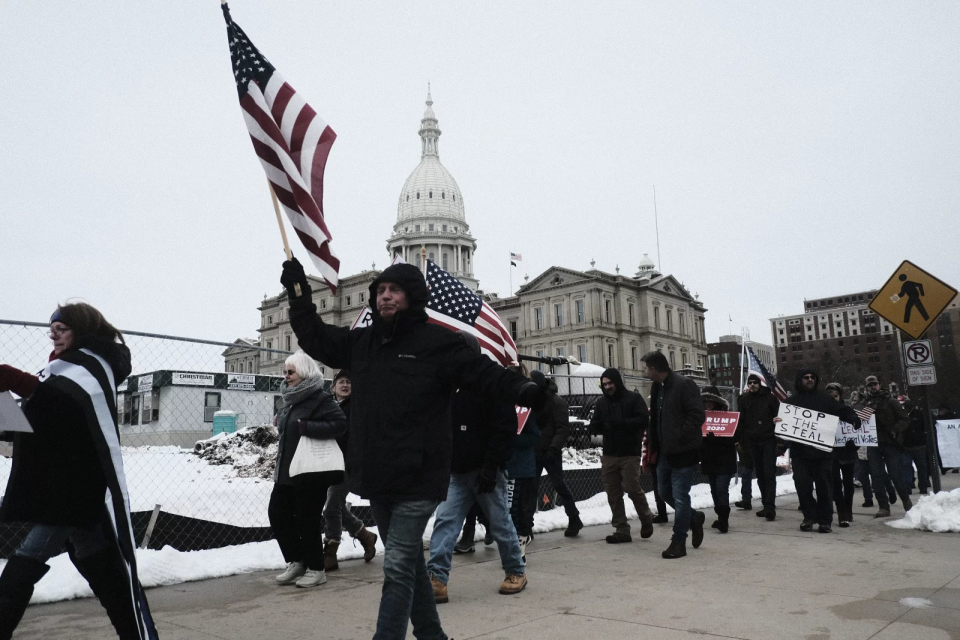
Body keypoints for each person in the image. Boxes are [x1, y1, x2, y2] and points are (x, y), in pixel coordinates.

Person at [281, 258, 542, 640]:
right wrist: (299, 292)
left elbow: (483, 373)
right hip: (377, 474)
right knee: (409, 566)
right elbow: (315, 336)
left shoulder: (438, 343)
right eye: (380, 291)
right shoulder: (362, 343)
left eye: (395, 290)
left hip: (421, 475)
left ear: (413, 296)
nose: (385, 296)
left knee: (398, 565)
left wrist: (523, 389)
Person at [0, 303, 158, 640]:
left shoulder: (91, 366)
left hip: (72, 487)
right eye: (51, 330)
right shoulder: (60, 370)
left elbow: (59, 407)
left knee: (26, 560)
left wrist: (12, 378)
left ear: (82, 330)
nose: (53, 336)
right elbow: (40, 424)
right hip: (63, 486)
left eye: (61, 329)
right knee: (100, 563)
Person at [428, 332, 525, 603]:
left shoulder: (492, 382)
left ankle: (516, 571)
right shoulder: (447, 385)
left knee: (500, 523)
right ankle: (436, 578)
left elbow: (505, 428)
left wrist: (492, 466)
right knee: (445, 522)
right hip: (456, 471)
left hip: (486, 470)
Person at [269, 350, 348, 588]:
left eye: (291, 372)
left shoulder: (320, 398)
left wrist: (306, 427)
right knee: (278, 514)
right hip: (286, 469)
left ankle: (316, 568)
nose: (286, 376)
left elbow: (340, 424)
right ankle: (297, 560)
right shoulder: (289, 399)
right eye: (285, 372)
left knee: (307, 519)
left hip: (311, 471)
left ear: (304, 372)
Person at [778, 368, 859, 533]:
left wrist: (853, 417)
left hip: (823, 453)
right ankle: (809, 517)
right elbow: (782, 426)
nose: (809, 380)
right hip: (800, 453)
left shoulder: (825, 399)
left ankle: (825, 520)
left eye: (812, 377)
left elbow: (842, 410)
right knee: (802, 486)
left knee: (824, 488)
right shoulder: (790, 403)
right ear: (799, 380)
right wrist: (778, 426)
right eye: (806, 377)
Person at [643, 351, 706, 559]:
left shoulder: (684, 385)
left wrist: (679, 437)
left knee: (680, 497)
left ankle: (679, 541)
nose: (643, 371)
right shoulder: (657, 386)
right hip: (664, 452)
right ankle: (694, 518)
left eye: (645, 367)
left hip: (684, 452)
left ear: (653, 369)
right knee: (664, 492)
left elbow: (697, 414)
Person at [321, 369, 379, 572]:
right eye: (341, 382)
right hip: (327, 462)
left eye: (349, 382)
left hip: (348, 463)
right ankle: (366, 535)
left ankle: (330, 552)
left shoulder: (356, 407)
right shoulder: (327, 405)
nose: (345, 385)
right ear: (333, 386)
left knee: (331, 508)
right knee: (336, 506)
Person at [589, 368, 655, 544]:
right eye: (605, 384)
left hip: (630, 453)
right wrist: (596, 426)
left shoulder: (633, 399)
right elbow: (596, 423)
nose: (608, 387)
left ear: (617, 382)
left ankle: (646, 517)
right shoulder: (602, 403)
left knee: (632, 487)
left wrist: (622, 424)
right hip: (609, 453)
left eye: (610, 383)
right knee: (613, 492)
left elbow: (643, 420)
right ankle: (621, 528)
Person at [530, 370, 583, 537]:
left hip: (549, 451)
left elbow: (562, 428)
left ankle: (574, 518)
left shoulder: (556, 402)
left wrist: (553, 448)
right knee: (530, 488)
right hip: (535, 450)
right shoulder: (533, 400)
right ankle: (526, 525)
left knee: (559, 485)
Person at [855, 375, 912, 517]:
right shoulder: (864, 403)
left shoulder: (891, 401)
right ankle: (883, 507)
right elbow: (856, 420)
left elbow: (905, 419)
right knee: (876, 476)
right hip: (873, 444)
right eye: (870, 385)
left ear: (880, 384)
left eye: (875, 384)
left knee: (895, 475)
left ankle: (906, 502)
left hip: (889, 443)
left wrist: (895, 430)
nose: (873, 387)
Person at [506, 363, 541, 563]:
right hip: (505, 467)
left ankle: (519, 546)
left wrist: (511, 438)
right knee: (507, 510)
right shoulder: (500, 406)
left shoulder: (525, 409)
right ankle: (513, 546)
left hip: (520, 468)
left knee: (515, 509)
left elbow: (534, 436)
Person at [738, 374, 780, 521]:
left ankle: (770, 507)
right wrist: (741, 441)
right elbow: (741, 422)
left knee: (769, 474)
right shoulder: (744, 400)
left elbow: (779, 418)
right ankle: (766, 505)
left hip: (768, 439)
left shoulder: (770, 398)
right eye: (750, 383)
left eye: (755, 382)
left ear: (760, 383)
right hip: (752, 441)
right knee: (760, 474)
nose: (752, 385)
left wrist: (778, 439)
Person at [699, 387, 736, 533]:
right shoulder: (699, 417)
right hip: (709, 459)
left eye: (711, 400)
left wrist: (718, 439)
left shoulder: (727, 417)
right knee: (714, 490)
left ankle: (724, 520)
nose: (708, 403)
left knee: (721, 489)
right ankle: (721, 517)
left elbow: (735, 437)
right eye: (705, 401)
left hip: (725, 459)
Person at [826, 382, 857, 528]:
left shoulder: (848, 411)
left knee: (848, 484)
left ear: (840, 396)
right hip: (831, 454)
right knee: (836, 484)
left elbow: (860, 431)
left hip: (847, 453)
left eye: (835, 396)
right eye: (829, 396)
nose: (833, 399)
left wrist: (854, 444)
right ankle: (842, 514)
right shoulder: (822, 413)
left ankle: (848, 509)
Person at [901, 400, 930, 496]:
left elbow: (926, 426)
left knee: (920, 467)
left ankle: (922, 486)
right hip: (908, 445)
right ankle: (908, 486)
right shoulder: (903, 415)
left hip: (918, 445)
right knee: (907, 467)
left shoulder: (919, 414)